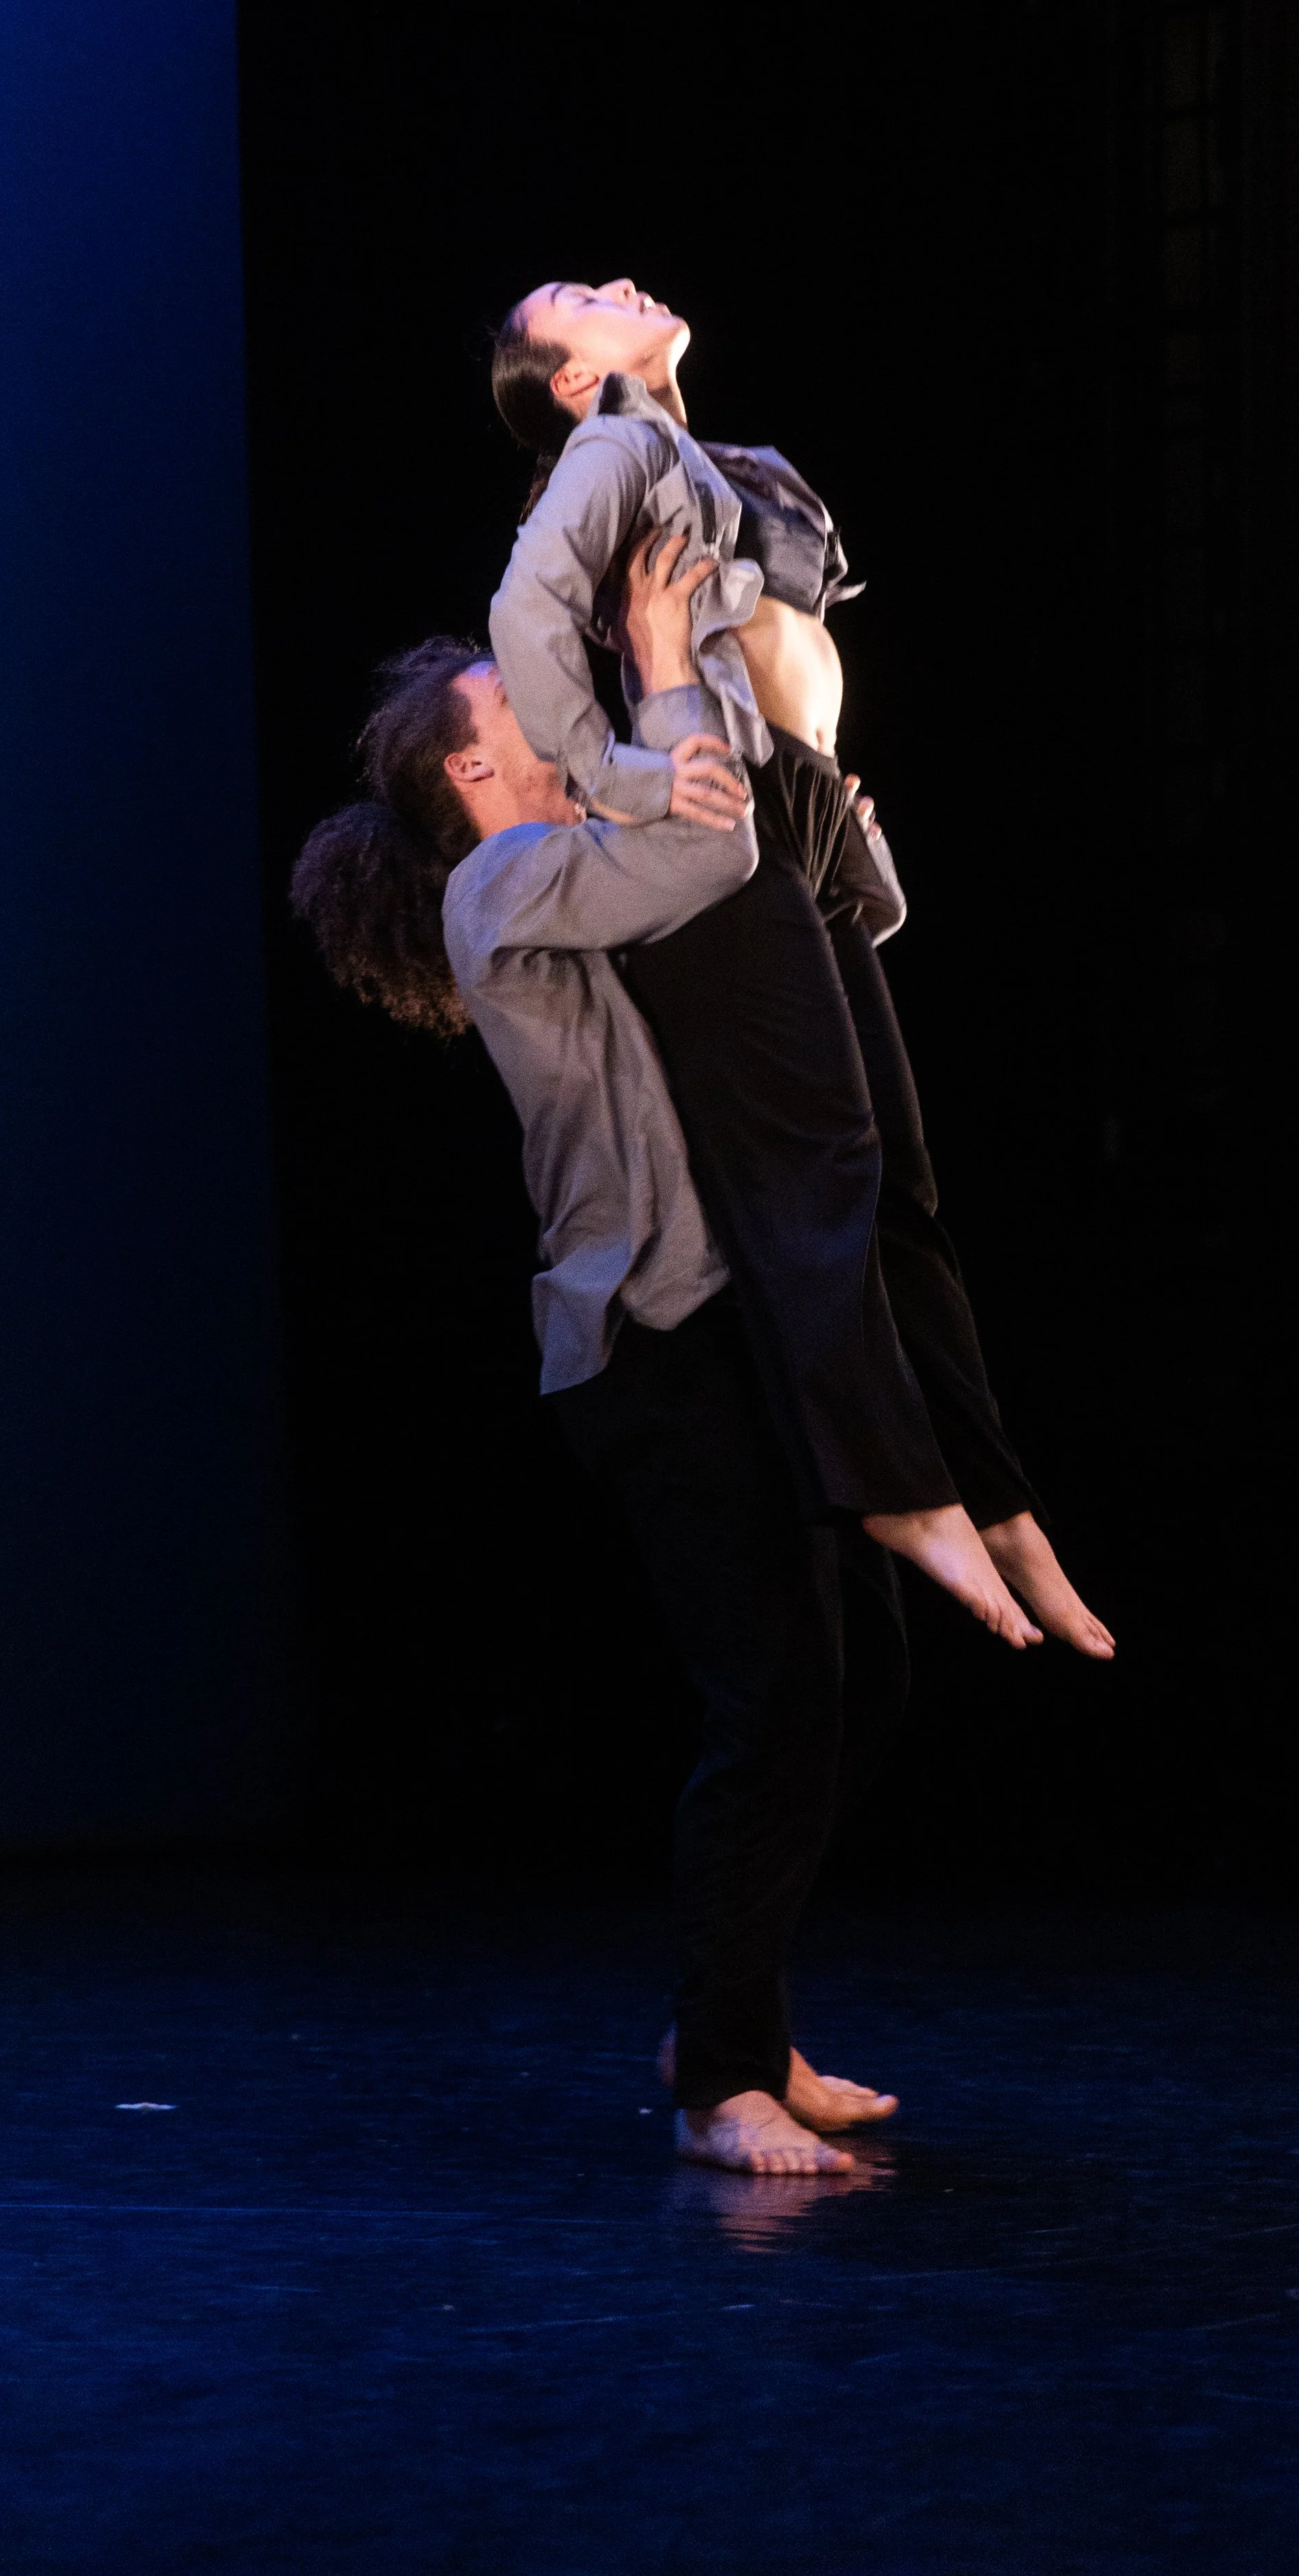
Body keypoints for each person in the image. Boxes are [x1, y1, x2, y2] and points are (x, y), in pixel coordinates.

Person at [293, 548, 923, 2173]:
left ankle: (735, 2015)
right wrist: (674, 695)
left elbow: (842, 919)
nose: (544, 693)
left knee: (856, 1674)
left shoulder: (600, 838)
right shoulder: (496, 887)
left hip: (733, 1324)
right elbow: (695, 869)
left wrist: (806, 798)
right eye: (513, 694)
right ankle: (721, 2077)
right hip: (647, 1345)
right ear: (469, 763)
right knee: (773, 1687)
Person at [488, 278, 1112, 1660]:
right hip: (723, 814)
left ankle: (989, 1496)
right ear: (564, 379)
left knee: (897, 1184)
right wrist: (617, 776)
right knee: (823, 1175)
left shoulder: (706, 463)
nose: (619, 286)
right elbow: (523, 616)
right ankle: (894, 1488)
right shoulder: (602, 447)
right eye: (580, 298)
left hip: (801, 809)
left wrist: (840, 827)